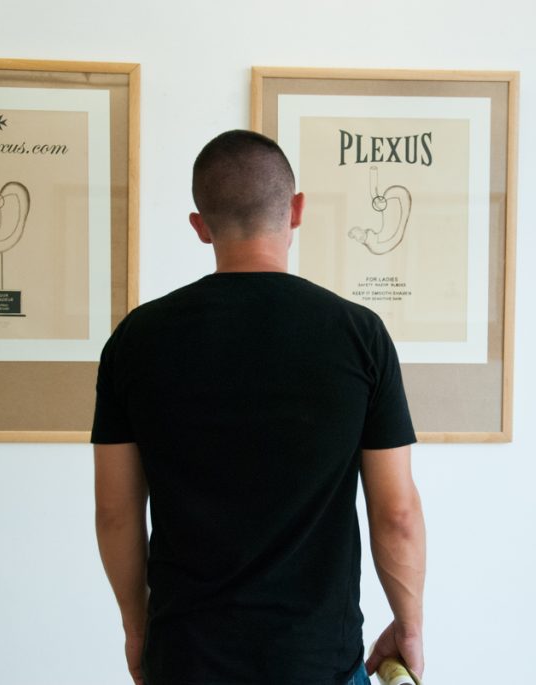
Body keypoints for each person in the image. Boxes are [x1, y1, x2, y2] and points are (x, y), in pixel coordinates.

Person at [93, 129, 426, 685]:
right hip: (317, 662)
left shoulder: (136, 340)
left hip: (186, 659)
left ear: (200, 226)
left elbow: (115, 512)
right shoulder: (359, 335)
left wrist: (136, 628)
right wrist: (408, 627)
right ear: (296, 210)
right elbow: (397, 515)